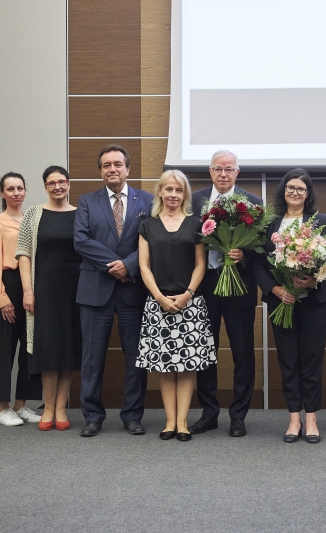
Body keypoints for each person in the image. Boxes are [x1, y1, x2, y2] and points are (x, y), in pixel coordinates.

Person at [74, 145, 154, 438]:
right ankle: (92, 416)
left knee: (135, 358)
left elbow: (153, 239)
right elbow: (81, 240)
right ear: (100, 171)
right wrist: (115, 265)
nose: (112, 169)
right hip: (96, 289)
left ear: (127, 169)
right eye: (106, 165)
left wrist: (129, 265)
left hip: (133, 289)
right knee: (92, 358)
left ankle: (132, 415)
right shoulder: (86, 201)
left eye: (118, 164)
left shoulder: (147, 200)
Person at [253, 169, 326, 444]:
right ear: (283, 191)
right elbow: (258, 264)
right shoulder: (270, 223)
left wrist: (313, 279)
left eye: (301, 189)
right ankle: (293, 418)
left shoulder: (320, 221)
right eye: (290, 188)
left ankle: (311, 418)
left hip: (314, 301)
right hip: (281, 301)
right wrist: (276, 289)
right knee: (288, 359)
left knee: (312, 359)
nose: (295, 193)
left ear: (308, 193)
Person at [137, 170, 216, 442]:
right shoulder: (147, 225)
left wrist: (188, 294)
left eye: (178, 190)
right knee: (165, 366)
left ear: (185, 195)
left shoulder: (196, 224)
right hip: (158, 304)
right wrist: (159, 297)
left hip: (190, 304)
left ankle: (182, 421)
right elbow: (144, 266)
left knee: (187, 366)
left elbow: (201, 264)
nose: (173, 194)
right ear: (160, 191)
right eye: (168, 189)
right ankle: (169, 420)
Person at [189, 150, 262, 438]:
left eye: (229, 169)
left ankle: (238, 415)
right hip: (204, 285)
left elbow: (262, 252)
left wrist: (243, 255)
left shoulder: (253, 203)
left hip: (240, 287)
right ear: (210, 171)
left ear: (237, 172)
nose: (223, 174)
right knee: (205, 350)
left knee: (242, 352)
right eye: (218, 168)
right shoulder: (194, 201)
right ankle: (209, 413)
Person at [17, 166, 82, 431]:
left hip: (75, 292)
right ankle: (48, 407)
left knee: (68, 349)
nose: (57, 186)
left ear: (69, 184)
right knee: (48, 349)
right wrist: (27, 291)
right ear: (45, 186)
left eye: (62, 181)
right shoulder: (33, 214)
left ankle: (61, 408)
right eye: (51, 183)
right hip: (43, 291)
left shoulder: (81, 214)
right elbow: (23, 253)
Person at [0, 172, 42, 426]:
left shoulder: (33, 220)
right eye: (10, 189)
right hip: (7, 286)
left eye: (20, 188)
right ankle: (2, 409)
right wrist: (1, 298)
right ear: (2, 193)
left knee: (30, 349)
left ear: (26, 191)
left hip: (32, 287)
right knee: (4, 350)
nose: (16, 193)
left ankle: (21, 405)